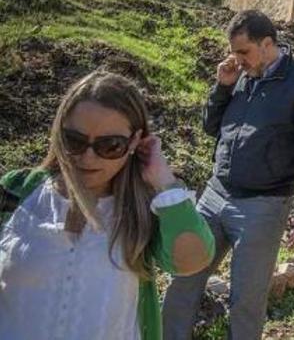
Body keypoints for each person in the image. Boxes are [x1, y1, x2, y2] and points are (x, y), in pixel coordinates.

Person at [0, 71, 215, 340]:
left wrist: (164, 181)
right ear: (58, 133)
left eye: (110, 146)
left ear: (135, 141)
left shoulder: (146, 208)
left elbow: (192, 261)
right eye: (74, 141)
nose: (88, 157)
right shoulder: (16, 191)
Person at [163, 9, 294, 339]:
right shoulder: (239, 76)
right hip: (214, 197)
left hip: (263, 206)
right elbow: (211, 127)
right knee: (182, 282)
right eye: (234, 52)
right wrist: (222, 87)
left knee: (246, 301)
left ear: (267, 43)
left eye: (244, 51)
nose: (237, 60)